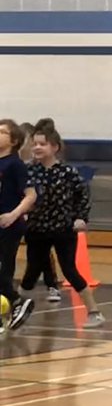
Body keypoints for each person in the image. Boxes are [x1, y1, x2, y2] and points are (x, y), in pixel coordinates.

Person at [16, 120, 104, 329]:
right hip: (37, 229)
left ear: (54, 147)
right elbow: (22, 194)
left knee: (70, 270)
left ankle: (94, 312)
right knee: (31, 273)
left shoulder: (67, 172)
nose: (37, 148)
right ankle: (14, 311)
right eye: (35, 144)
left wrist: (80, 217)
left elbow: (83, 194)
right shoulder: (28, 171)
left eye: (43, 144)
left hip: (62, 229)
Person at [0, 119, 37, 334]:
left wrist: (13, 215)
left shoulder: (15, 164)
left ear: (13, 141)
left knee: (4, 273)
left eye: (2, 132)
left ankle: (18, 301)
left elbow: (31, 196)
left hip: (9, 225)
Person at [18, 121, 59, 302]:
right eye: (33, 144)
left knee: (42, 254)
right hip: (30, 219)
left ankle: (50, 285)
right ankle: (24, 292)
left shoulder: (54, 169)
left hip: (49, 219)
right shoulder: (25, 167)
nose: (35, 147)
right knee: (35, 255)